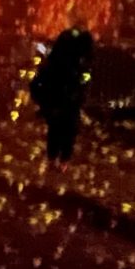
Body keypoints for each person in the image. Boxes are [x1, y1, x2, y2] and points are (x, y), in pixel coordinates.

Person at [30, 19, 95, 164]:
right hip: (68, 92)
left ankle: (54, 157)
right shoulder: (82, 45)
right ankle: (62, 158)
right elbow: (88, 62)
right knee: (67, 127)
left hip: (59, 91)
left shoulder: (63, 45)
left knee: (56, 126)